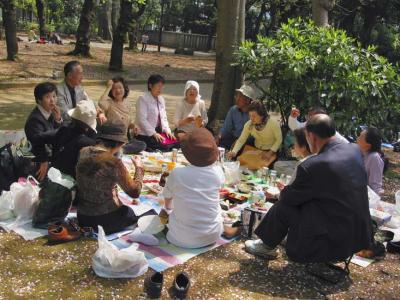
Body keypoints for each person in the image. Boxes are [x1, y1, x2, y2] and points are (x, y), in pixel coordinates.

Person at [245, 115, 373, 263]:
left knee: (285, 205)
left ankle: (266, 245)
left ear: (311, 136)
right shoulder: (354, 150)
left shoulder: (314, 165)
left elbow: (288, 197)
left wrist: (284, 191)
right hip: (358, 236)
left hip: (331, 239)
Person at [76, 122, 149, 234]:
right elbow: (135, 192)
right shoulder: (113, 162)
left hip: (83, 217)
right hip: (104, 220)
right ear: (119, 144)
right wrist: (139, 168)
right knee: (140, 214)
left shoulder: (83, 151)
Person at [160, 128, 225, 248]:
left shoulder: (177, 173)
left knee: (161, 218)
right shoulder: (218, 171)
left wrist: (167, 210)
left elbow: (168, 200)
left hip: (181, 238)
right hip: (213, 235)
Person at [41, 100, 98, 178]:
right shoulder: (89, 143)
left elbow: (40, 137)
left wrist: (43, 159)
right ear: (88, 126)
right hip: (72, 182)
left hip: (54, 175)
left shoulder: (63, 130)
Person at [25, 82, 62, 181]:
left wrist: (58, 119)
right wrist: (43, 160)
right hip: (39, 161)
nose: (52, 100)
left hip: (51, 154)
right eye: (48, 97)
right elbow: (36, 140)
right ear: (39, 100)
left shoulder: (50, 112)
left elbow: (57, 133)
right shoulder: (35, 119)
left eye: (54, 96)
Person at [98, 77, 146, 154]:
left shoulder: (128, 103)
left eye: (120, 88)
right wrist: (108, 87)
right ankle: (117, 150)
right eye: (114, 89)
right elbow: (101, 103)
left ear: (124, 89)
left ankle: (119, 150)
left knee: (142, 145)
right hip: (112, 139)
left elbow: (129, 123)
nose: (118, 91)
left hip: (124, 139)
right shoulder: (109, 103)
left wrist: (134, 126)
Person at [135, 74, 176, 151]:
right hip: (146, 133)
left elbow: (164, 118)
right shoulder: (143, 99)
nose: (160, 89)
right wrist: (154, 133)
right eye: (158, 86)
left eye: (161, 86)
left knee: (176, 143)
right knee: (165, 146)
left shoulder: (161, 99)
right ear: (150, 86)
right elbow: (142, 120)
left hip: (159, 132)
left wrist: (167, 131)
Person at [219, 85, 254, 149]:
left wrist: (240, 141)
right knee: (221, 142)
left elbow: (255, 135)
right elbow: (226, 129)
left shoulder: (255, 113)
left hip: (248, 141)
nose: (237, 99)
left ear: (248, 100)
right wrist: (219, 136)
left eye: (240, 97)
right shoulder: (233, 110)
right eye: (237, 96)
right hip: (235, 138)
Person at [357, 127, 385, 195]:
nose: (357, 139)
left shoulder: (374, 158)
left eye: (360, 137)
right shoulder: (359, 152)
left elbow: (375, 186)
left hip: (363, 198)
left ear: (368, 145)